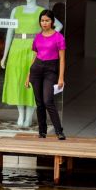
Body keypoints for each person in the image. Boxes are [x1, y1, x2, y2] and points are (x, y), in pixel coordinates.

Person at [0, 0, 62, 127]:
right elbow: (10, 32)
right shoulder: (16, 10)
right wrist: (5, 55)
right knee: (17, 80)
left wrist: (47, 40)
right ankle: (21, 115)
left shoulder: (42, 11)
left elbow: (58, 25)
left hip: (34, 48)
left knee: (34, 81)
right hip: (17, 47)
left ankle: (29, 117)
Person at [25, 9, 66, 140]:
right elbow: (35, 56)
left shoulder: (59, 37)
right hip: (36, 70)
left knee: (48, 100)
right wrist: (28, 75)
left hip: (50, 70)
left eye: (47, 20)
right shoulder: (37, 37)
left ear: (52, 22)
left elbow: (62, 59)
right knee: (39, 103)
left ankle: (59, 131)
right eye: (42, 20)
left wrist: (61, 78)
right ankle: (42, 131)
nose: (44, 23)